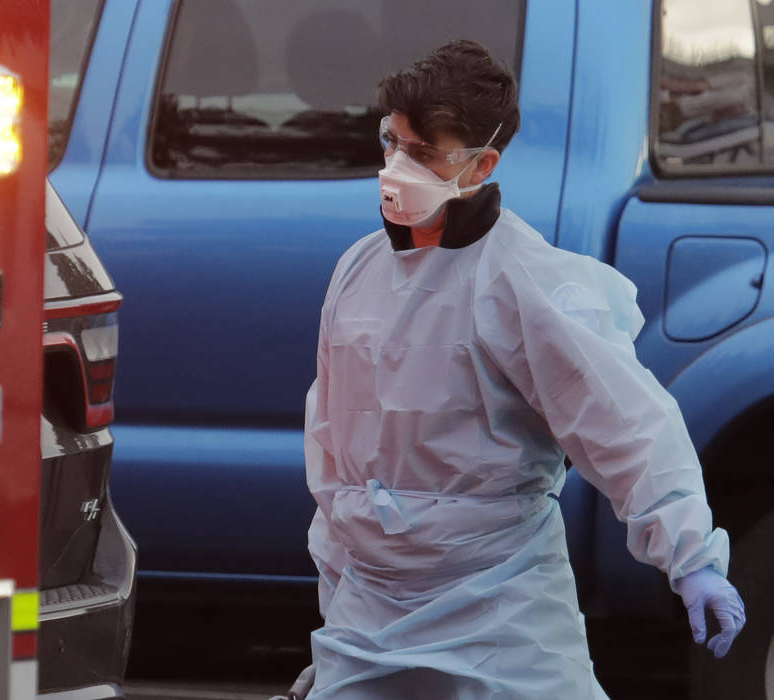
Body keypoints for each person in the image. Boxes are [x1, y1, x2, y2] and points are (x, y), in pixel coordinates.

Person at [300, 40, 745, 698]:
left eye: (424, 153)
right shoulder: (358, 272)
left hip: (497, 603)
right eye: (392, 141)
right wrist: (336, 597)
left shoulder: (526, 283)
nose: (396, 167)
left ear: (481, 165)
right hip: (370, 611)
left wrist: (693, 559)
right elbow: (335, 451)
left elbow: (627, 426)